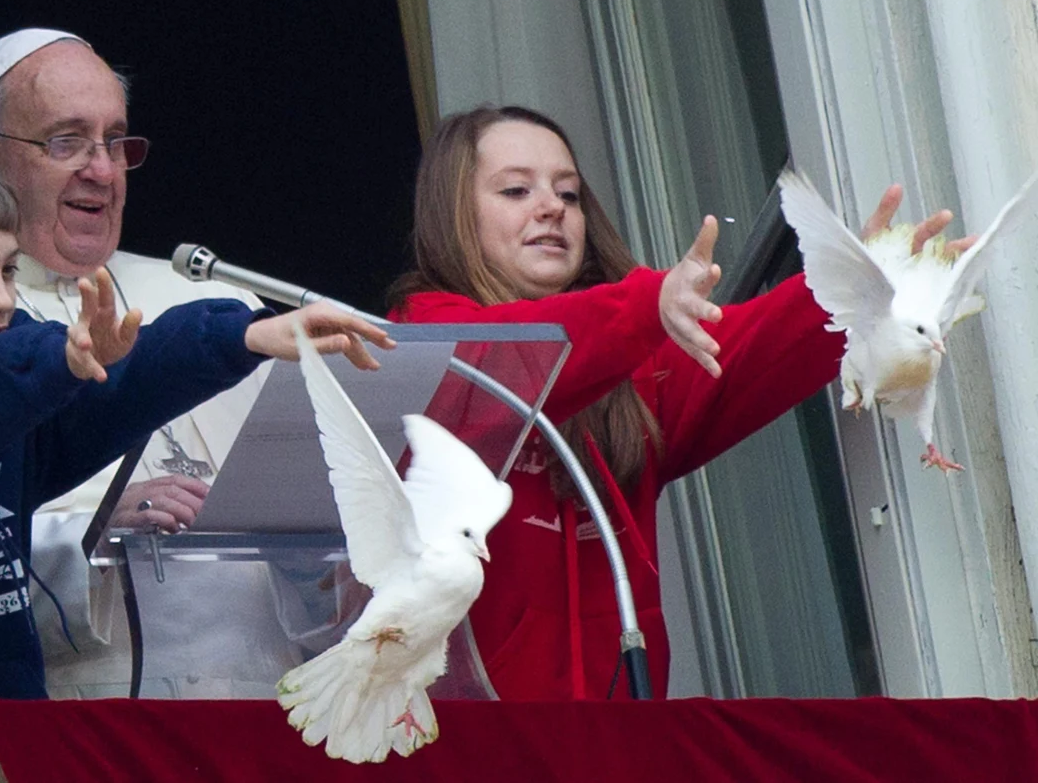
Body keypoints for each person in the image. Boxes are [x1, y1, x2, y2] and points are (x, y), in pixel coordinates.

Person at [388, 105, 972, 701]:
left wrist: (871, 293)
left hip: (615, 744)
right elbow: (508, 357)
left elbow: (751, 345)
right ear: (453, 214)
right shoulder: (419, 341)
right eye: (516, 189)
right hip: (463, 743)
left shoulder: (631, 368)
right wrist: (645, 304)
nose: (552, 207)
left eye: (568, 193)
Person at [0, 129, 393, 702]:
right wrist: (59, 361)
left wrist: (244, 336)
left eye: (8, 271)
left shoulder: (19, 392)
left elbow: (126, 383)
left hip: (3, 728)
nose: (1, 298)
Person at [0, 29, 297, 697]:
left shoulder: (216, 297)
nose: (103, 171)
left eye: (116, 141)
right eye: (66, 140)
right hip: (87, 714)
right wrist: (93, 534)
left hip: (273, 703)